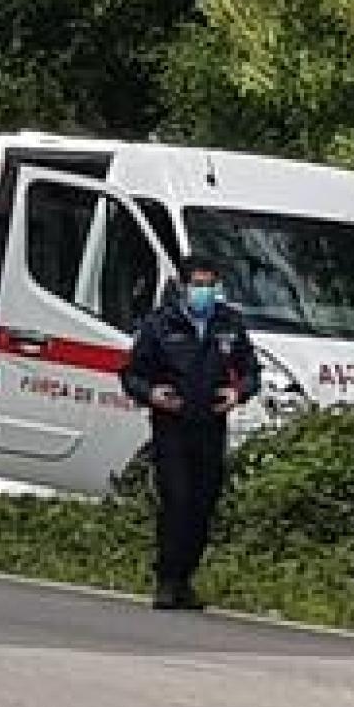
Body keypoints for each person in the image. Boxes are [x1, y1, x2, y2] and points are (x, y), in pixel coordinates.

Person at [120, 255, 261, 610]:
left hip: (211, 423)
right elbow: (132, 374)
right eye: (197, 284)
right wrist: (151, 394)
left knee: (204, 502)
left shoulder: (228, 324)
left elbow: (250, 372)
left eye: (209, 285)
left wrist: (237, 393)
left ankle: (186, 578)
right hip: (172, 424)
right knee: (177, 500)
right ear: (183, 287)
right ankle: (167, 579)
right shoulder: (160, 325)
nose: (204, 291)